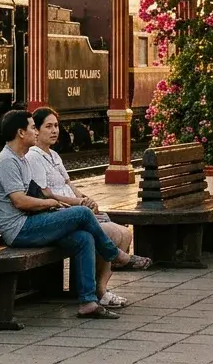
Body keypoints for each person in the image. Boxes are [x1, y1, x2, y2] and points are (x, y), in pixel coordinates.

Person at [0, 110, 152, 320]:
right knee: (82, 213)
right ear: (21, 132)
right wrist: (50, 203)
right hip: (19, 229)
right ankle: (116, 255)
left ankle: (88, 302)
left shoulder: (21, 159)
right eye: (33, 127)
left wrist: (56, 205)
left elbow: (35, 192)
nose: (36, 132)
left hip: (31, 221)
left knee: (84, 239)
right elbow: (20, 200)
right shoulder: (7, 161)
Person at [27, 108, 134, 309]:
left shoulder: (54, 155)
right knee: (110, 234)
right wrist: (79, 204)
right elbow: (46, 193)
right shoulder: (34, 157)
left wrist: (86, 198)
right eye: (48, 126)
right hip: (60, 213)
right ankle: (99, 292)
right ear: (37, 130)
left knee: (126, 234)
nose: (54, 131)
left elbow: (70, 185)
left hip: (73, 209)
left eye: (56, 126)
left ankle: (100, 288)